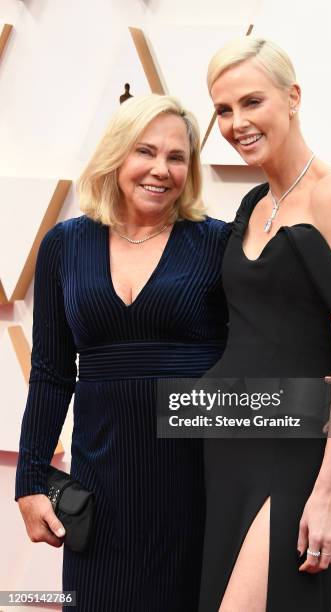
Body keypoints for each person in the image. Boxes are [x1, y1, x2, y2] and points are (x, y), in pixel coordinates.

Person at [15, 94, 229, 612]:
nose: (161, 169)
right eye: (145, 152)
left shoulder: (219, 243)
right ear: (117, 155)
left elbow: (258, 355)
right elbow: (50, 373)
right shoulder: (64, 244)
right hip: (100, 481)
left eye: (177, 157)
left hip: (196, 480)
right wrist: (29, 480)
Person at [198, 37, 331, 611]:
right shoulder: (252, 204)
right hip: (228, 444)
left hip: (299, 450)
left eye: (251, 102)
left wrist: (330, 487)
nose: (237, 123)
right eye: (224, 110)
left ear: (293, 96)